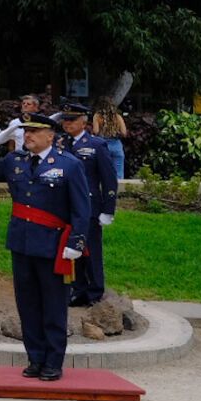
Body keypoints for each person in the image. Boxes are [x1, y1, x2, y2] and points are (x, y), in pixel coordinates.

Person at [0, 113, 91, 382]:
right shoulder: (16, 160)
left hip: (53, 246)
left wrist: (76, 243)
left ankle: (53, 361)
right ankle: (35, 358)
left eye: (34, 132)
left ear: (51, 136)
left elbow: (82, 209)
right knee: (27, 305)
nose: (28, 136)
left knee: (53, 306)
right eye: (25, 132)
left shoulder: (68, 165)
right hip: (22, 244)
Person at [55, 105, 118, 307]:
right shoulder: (60, 144)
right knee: (72, 248)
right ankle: (77, 289)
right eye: (65, 120)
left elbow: (109, 179)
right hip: (66, 206)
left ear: (84, 122)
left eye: (72, 120)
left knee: (91, 250)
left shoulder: (96, 145)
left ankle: (95, 291)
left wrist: (108, 209)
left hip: (90, 206)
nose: (67, 124)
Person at [90, 97, 130, 181]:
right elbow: (124, 132)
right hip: (117, 145)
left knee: (103, 171)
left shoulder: (97, 116)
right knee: (118, 172)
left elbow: (96, 131)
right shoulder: (118, 117)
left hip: (102, 145)